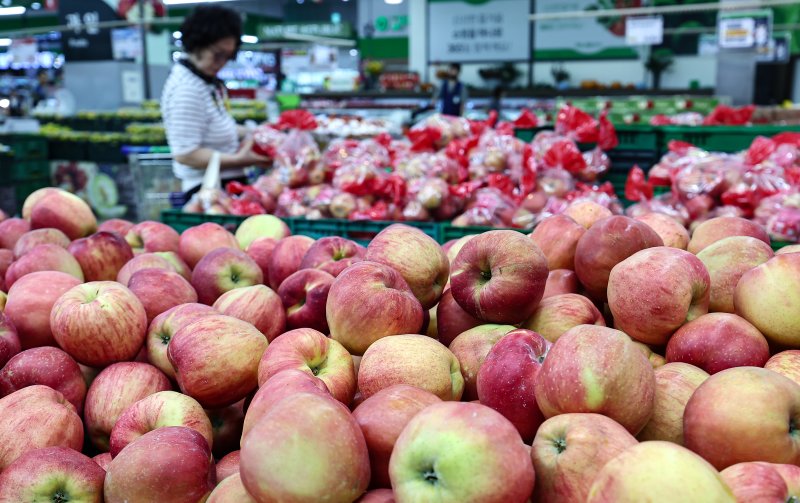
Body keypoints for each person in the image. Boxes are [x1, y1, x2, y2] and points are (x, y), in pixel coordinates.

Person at [161, 5, 267, 194]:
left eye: (228, 56)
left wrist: (257, 132)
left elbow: (215, 126)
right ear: (197, 44)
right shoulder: (187, 89)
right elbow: (186, 154)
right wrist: (239, 160)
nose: (221, 63)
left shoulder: (205, 83)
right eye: (217, 54)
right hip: (206, 191)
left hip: (224, 184)